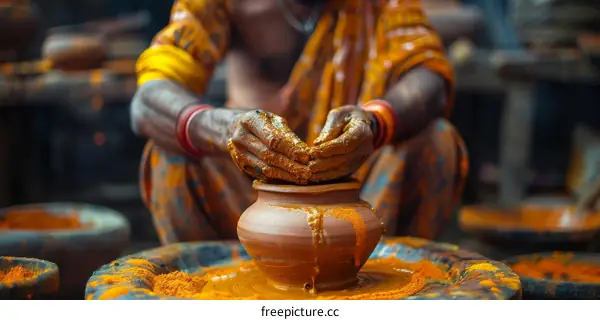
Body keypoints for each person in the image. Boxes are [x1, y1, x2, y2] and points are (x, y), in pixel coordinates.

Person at [131, 0, 468, 245]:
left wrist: (375, 121)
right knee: (168, 154)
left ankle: (389, 287)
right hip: (250, 189)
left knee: (436, 140)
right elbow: (148, 101)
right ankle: (212, 291)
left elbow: (428, 74)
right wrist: (221, 127)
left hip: (354, 191)